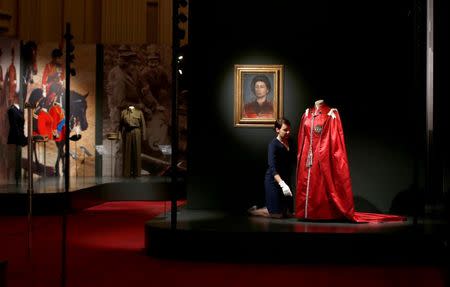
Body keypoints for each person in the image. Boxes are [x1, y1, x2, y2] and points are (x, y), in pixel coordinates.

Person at [295, 99, 406, 222]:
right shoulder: (307, 114)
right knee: (308, 185)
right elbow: (302, 138)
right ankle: (307, 213)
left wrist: (323, 157)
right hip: (308, 159)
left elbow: (334, 140)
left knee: (321, 187)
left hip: (323, 157)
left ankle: (323, 214)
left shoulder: (331, 113)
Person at [249, 118, 294, 218]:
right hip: (274, 181)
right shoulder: (273, 145)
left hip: (285, 180)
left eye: (289, 130)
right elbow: (272, 168)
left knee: (288, 213)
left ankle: (271, 208)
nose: (288, 132)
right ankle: (253, 211)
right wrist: (282, 184)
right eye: (285, 130)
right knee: (277, 215)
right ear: (277, 130)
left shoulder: (290, 141)